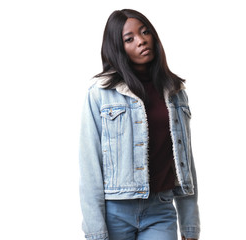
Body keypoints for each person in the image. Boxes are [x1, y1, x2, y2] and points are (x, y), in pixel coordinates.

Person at [79, 9, 200, 240]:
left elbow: (185, 160)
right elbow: (89, 163)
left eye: (145, 32)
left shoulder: (174, 92)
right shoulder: (100, 93)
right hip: (115, 212)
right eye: (129, 38)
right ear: (117, 47)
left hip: (161, 210)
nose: (141, 40)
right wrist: (95, 230)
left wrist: (190, 223)